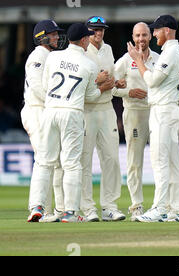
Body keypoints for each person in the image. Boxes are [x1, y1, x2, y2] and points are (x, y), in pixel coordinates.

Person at [27, 23, 115, 223]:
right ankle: (70, 212)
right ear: (84, 40)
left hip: (50, 111)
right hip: (72, 113)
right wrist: (102, 87)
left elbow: (48, 84)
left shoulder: (53, 57)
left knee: (43, 161)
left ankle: (37, 207)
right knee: (72, 164)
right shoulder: (89, 65)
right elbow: (91, 95)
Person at [127, 15, 179, 222]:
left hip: (163, 110)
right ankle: (178, 208)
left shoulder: (171, 52)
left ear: (168, 31)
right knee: (172, 161)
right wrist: (144, 63)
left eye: (156, 30)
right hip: (167, 109)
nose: (153, 34)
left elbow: (152, 81)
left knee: (160, 160)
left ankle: (160, 208)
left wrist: (138, 61)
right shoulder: (171, 51)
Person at [81, 16, 126, 222]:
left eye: (101, 30)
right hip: (87, 109)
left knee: (112, 159)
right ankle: (87, 208)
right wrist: (98, 85)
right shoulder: (81, 50)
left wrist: (118, 83)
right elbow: (79, 85)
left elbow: (112, 76)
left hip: (107, 109)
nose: (98, 34)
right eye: (94, 30)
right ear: (87, 31)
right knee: (85, 160)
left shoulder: (107, 49)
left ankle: (109, 207)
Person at [113, 22, 160, 221]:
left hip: (156, 112)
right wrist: (128, 92)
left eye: (144, 35)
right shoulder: (125, 60)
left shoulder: (159, 59)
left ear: (150, 36)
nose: (141, 39)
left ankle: (161, 204)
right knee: (134, 162)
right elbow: (111, 88)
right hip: (133, 113)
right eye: (137, 36)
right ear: (133, 37)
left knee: (160, 159)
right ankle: (137, 205)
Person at [23, 19, 66, 222]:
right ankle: (37, 208)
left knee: (55, 162)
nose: (57, 37)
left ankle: (55, 210)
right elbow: (37, 88)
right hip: (37, 111)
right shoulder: (38, 56)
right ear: (42, 37)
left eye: (57, 33)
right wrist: (57, 100)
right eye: (54, 34)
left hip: (47, 110)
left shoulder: (51, 56)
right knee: (44, 159)